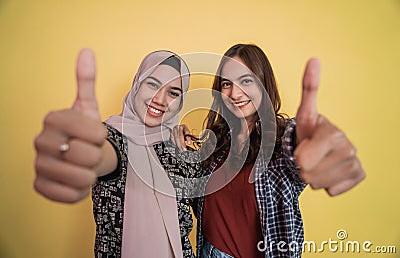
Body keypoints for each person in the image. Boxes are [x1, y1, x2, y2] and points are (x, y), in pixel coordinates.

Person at [171, 44, 366, 258]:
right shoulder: (216, 143)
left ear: (264, 84)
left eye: (246, 80)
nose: (235, 93)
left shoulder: (281, 141)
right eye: (227, 83)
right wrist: (177, 145)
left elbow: (297, 147)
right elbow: (195, 199)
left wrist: (318, 147)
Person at [34, 49, 199, 257]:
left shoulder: (183, 151)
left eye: (173, 93)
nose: (160, 99)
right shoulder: (109, 137)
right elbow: (103, 156)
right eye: (153, 84)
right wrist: (74, 151)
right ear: (137, 84)